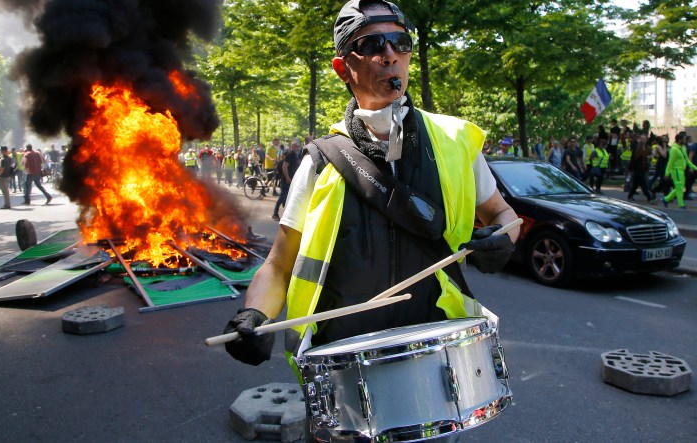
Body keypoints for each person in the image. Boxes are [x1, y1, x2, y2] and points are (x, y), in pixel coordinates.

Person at [222, 0, 518, 390]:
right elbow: (278, 266)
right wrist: (255, 316)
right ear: (343, 67)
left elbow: (503, 214)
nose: (390, 56)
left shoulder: (456, 141)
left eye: (400, 42)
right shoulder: (320, 162)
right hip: (343, 366)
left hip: (436, 358)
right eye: (374, 45)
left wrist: (502, 238)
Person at [661, 131, 697, 209]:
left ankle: (666, 199)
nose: (685, 140)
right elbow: (670, 162)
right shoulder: (674, 149)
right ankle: (681, 205)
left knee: (679, 187)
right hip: (676, 170)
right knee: (679, 187)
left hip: (681, 170)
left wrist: (695, 167)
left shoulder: (683, 148)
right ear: (679, 140)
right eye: (684, 139)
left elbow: (687, 160)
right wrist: (667, 173)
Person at [271, 138, 301, 220]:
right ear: (293, 147)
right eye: (296, 146)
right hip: (286, 181)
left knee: (290, 197)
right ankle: (275, 213)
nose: (298, 148)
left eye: (298, 146)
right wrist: (287, 178)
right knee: (283, 197)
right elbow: (284, 166)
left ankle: (289, 215)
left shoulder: (297, 155)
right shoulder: (290, 155)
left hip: (293, 181)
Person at [626, 134, 654, 203]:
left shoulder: (647, 147)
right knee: (643, 183)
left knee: (635, 184)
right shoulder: (637, 147)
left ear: (646, 139)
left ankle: (630, 196)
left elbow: (650, 155)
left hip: (644, 167)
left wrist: (650, 157)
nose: (643, 140)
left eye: (644, 139)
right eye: (641, 138)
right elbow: (633, 158)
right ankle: (649, 197)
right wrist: (630, 168)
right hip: (637, 167)